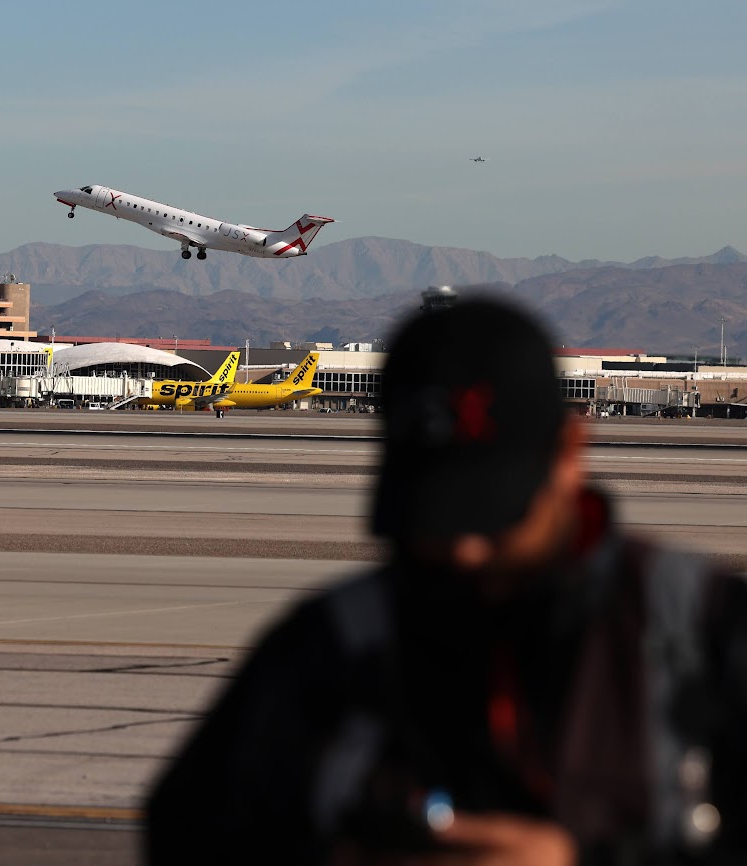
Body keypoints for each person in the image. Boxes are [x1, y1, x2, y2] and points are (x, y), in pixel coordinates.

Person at [144, 298, 747, 865]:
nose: (463, 548)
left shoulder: (706, 631)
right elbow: (187, 830)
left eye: (494, 510)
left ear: (570, 454)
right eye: (431, 514)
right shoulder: (333, 643)